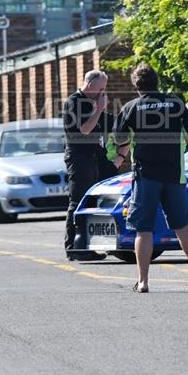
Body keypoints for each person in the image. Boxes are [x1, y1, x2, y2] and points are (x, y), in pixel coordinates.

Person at [113, 63, 188, 293]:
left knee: (143, 229)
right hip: (173, 175)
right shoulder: (176, 103)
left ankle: (143, 281)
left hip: (146, 175)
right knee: (182, 226)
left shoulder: (130, 107)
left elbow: (119, 140)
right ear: (157, 81)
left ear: (136, 84)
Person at [62, 70, 115, 260]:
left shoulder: (93, 104)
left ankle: (90, 244)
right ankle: (74, 247)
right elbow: (84, 130)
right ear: (90, 84)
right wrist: (99, 109)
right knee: (78, 200)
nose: (102, 93)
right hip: (79, 157)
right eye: (101, 88)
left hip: (94, 156)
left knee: (96, 200)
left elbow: (111, 123)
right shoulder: (74, 102)